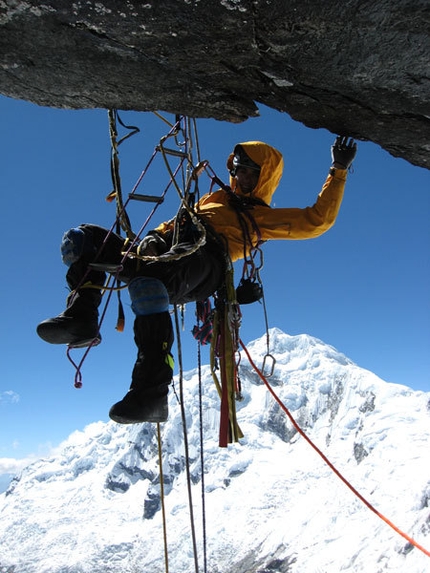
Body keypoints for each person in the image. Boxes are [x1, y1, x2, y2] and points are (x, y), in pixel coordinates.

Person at [37, 136, 357, 424]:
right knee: (86, 238)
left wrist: (338, 169)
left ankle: (152, 393)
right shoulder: (212, 199)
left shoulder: (260, 217)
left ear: (264, 178)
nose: (241, 177)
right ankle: (81, 318)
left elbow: (318, 221)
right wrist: (150, 241)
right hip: (165, 249)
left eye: (250, 172)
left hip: (208, 264)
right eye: (239, 169)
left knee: (152, 278)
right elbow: (174, 223)